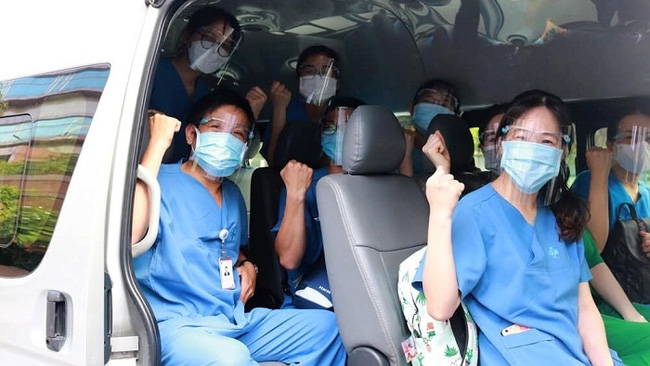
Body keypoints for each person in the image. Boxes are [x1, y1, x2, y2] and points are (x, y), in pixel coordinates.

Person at [132, 88, 346, 365]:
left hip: (233, 319)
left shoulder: (232, 194)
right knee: (231, 357)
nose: (226, 139)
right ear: (192, 135)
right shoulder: (156, 182)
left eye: (238, 134)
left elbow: (228, 246)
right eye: (217, 128)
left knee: (328, 330)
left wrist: (247, 264)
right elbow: (131, 237)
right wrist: (158, 144)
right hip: (176, 325)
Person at [413, 90, 619, 365]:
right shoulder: (473, 211)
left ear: (561, 153)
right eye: (521, 138)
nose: (533, 148)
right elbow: (439, 307)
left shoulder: (563, 216)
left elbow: (583, 306)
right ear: (502, 144)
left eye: (546, 140)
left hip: (573, 354)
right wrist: (439, 213)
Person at [272, 97, 364, 309]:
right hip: (314, 295)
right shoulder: (305, 182)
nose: (340, 134)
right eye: (332, 127)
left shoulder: (380, 186)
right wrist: (296, 193)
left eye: (349, 128)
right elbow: (288, 259)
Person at [150, 6, 267, 163]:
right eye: (209, 38)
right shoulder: (151, 73)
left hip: (186, 172)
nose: (215, 48)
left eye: (225, 46)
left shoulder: (206, 93)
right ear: (187, 36)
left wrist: (250, 114)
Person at [571, 105, 650, 253]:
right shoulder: (589, 181)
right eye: (630, 137)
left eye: (648, 138)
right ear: (611, 146)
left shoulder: (647, 192)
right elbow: (591, 249)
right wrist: (599, 175)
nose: (642, 146)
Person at [264, 45, 342, 166]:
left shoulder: (343, 112)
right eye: (310, 72)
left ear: (337, 83)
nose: (318, 78)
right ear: (298, 80)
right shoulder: (287, 109)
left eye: (325, 72)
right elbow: (273, 162)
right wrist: (279, 109)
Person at [583, 228, 650, 365]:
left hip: (595, 306)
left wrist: (632, 314)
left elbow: (593, 261)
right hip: (569, 318)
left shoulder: (566, 218)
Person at [400, 79, 461, 176]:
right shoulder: (398, 147)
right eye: (428, 101)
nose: (435, 107)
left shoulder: (459, 153)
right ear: (412, 108)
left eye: (444, 105)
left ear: (456, 116)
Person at [477, 103, 509, 177]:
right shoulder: (471, 186)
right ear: (482, 149)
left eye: (508, 138)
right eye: (493, 140)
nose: (501, 146)